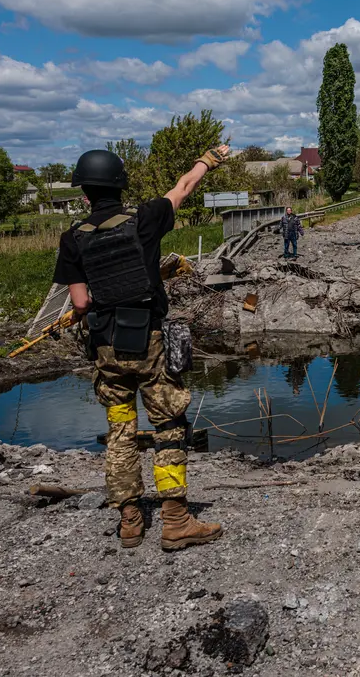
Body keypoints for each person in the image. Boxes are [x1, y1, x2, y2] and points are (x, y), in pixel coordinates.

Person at [53, 144, 231, 551]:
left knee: (120, 430)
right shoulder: (146, 219)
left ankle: (130, 521)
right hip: (147, 341)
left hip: (105, 347)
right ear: (120, 185)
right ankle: (174, 520)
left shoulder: (72, 238)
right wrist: (207, 159)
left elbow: (80, 303)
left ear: (84, 194)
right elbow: (183, 188)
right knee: (168, 426)